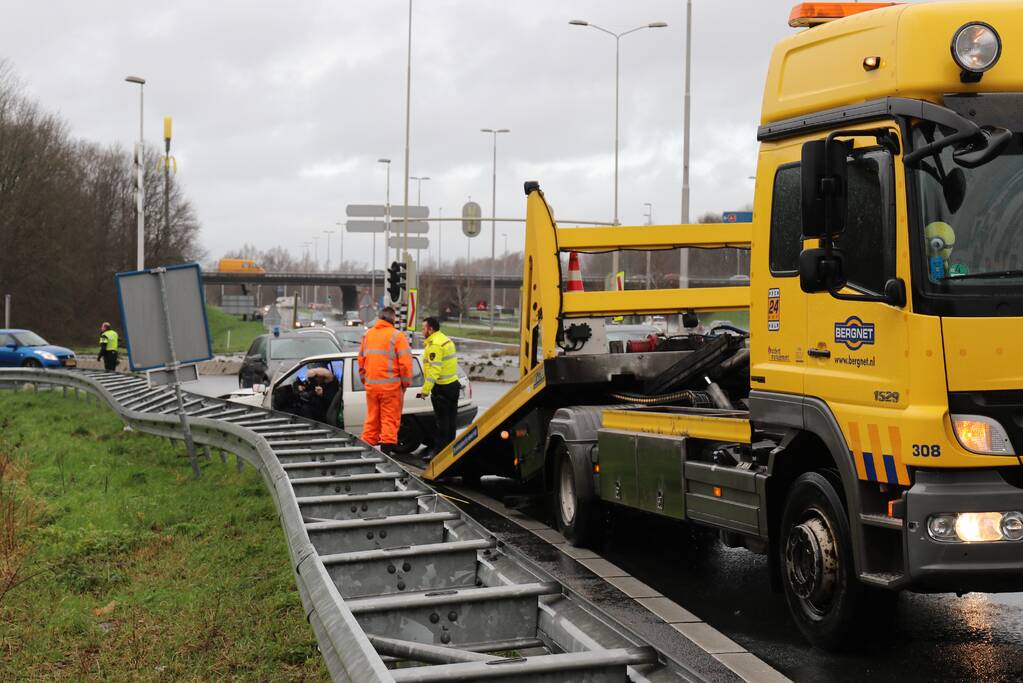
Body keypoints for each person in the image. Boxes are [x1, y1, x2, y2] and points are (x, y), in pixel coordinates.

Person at [358, 307, 412, 454]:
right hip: (391, 388)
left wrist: (366, 381)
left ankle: (366, 454)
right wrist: (405, 384)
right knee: (389, 420)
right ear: (393, 319)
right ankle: (387, 456)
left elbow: (361, 361)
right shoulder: (397, 336)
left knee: (372, 420)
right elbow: (405, 364)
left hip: (371, 387)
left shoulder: (367, 335)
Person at [417, 317, 459, 462]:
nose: (422, 331)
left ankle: (439, 455)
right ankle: (450, 452)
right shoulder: (445, 340)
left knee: (442, 424)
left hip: (442, 388)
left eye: (423, 328)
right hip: (453, 385)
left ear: (431, 329)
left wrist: (425, 390)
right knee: (451, 422)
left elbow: (434, 370)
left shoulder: (434, 345)